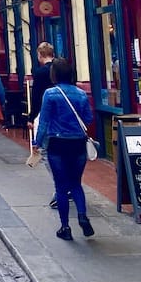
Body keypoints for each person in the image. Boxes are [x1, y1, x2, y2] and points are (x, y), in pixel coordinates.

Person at [34, 58, 95, 241]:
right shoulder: (81, 94)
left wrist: (37, 142)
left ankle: (65, 227)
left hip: (57, 144)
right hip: (77, 143)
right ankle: (82, 216)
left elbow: (43, 121)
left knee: (61, 188)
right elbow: (89, 118)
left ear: (54, 74)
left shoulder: (50, 94)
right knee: (76, 183)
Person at [27, 42, 57, 203]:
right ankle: (70, 186)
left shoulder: (40, 73)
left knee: (45, 151)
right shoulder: (63, 68)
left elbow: (37, 97)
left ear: (40, 55)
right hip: (64, 117)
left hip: (45, 116)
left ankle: (60, 186)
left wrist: (31, 118)